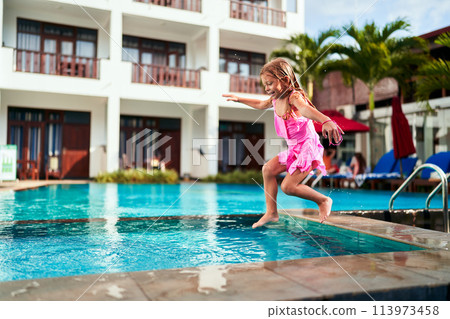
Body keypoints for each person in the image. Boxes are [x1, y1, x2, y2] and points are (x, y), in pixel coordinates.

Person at [223, 58, 343, 227]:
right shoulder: (275, 99)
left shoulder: (294, 97)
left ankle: (323, 200)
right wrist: (239, 98)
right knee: (268, 170)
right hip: (294, 149)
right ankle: (271, 213)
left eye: (270, 83)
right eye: (265, 85)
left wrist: (325, 120)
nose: (267, 88)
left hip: (307, 148)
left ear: (285, 80)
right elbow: (259, 103)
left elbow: (306, 109)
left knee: (288, 186)